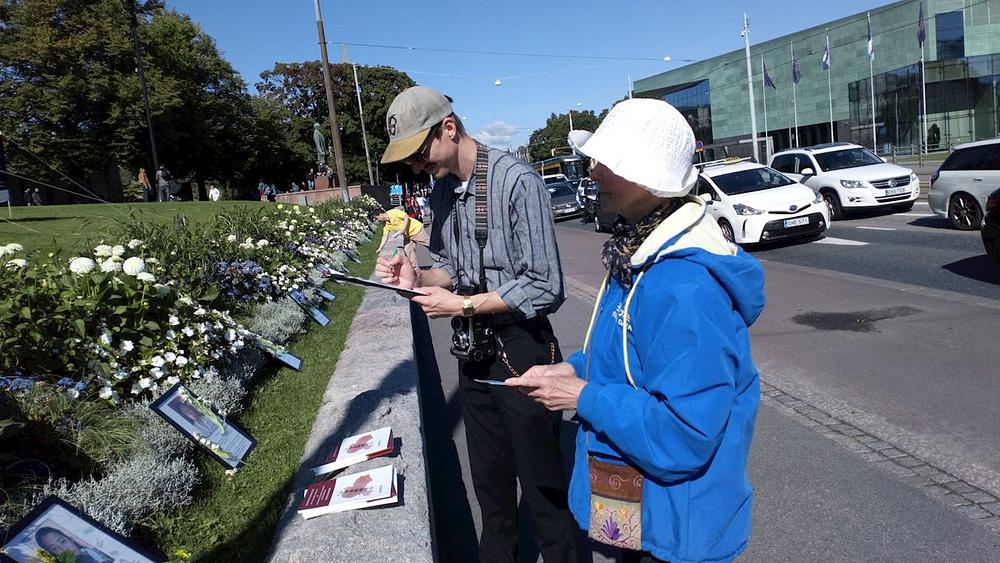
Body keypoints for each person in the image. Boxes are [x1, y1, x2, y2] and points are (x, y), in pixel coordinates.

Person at [505, 99, 765, 563]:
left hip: (678, 531)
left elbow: (685, 432)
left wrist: (581, 397)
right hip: (646, 514)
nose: (592, 173)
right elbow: (626, 355)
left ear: (648, 177)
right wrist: (568, 370)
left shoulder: (683, 285)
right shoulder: (636, 251)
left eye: (607, 162)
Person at [375, 86, 578, 563]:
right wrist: (418, 276)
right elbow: (449, 266)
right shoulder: (443, 188)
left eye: (419, 153)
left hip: (523, 349)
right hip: (475, 354)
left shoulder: (516, 181)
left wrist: (463, 307)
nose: (415, 167)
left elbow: (547, 286)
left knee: (545, 499)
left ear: (449, 127)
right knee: (491, 497)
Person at [35, 526, 113, 563]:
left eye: (62, 541)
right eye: (54, 548)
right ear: (53, 554)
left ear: (71, 539)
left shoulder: (97, 548)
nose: (64, 549)